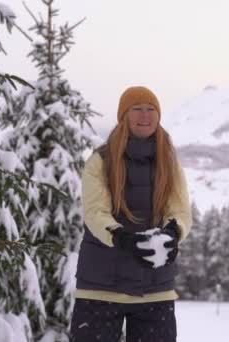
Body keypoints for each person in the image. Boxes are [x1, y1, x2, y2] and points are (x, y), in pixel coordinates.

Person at [70, 86, 192, 342]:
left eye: (151, 109)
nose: (145, 115)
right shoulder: (100, 160)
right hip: (100, 287)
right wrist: (121, 237)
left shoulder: (169, 161)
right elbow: (95, 212)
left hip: (154, 287)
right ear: (123, 115)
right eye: (137, 109)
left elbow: (179, 209)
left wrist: (174, 232)